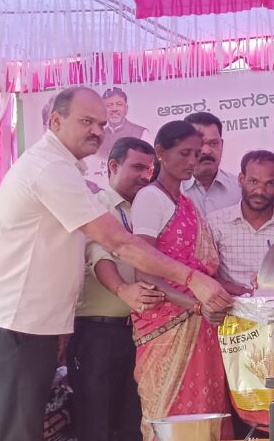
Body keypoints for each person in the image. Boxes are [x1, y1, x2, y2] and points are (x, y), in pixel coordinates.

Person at [0, 88, 232, 441]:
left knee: (31, 427)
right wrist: (192, 278)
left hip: (36, 322)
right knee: (19, 431)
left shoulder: (65, 170)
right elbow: (117, 242)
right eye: (86, 121)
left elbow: (90, 248)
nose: (97, 131)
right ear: (55, 121)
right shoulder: (49, 169)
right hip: (14, 320)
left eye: (102, 124)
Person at [130, 120, 234, 440]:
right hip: (167, 326)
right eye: (184, 153)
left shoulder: (186, 203)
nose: (192, 161)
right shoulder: (150, 198)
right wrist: (194, 305)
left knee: (205, 409)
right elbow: (143, 269)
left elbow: (205, 271)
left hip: (202, 324)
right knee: (170, 413)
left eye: (197, 154)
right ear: (160, 152)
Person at [67, 137, 159, 441]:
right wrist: (123, 289)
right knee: (97, 425)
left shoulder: (150, 209)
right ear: (114, 166)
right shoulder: (95, 206)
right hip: (98, 333)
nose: (145, 176)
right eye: (137, 167)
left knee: (135, 424)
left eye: (150, 169)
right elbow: (97, 254)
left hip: (142, 332)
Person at [208, 150, 274, 293]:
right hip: (229, 305)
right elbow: (206, 275)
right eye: (253, 181)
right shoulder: (215, 222)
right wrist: (246, 294)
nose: (260, 191)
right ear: (241, 179)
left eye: (270, 183)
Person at [181, 112, 241, 216]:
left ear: (222, 145)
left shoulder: (240, 189)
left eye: (214, 143)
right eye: (199, 143)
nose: (206, 151)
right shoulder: (172, 191)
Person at [101, 87, 150, 155]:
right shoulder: (99, 136)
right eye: (109, 105)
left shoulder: (142, 133)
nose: (114, 109)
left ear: (126, 109)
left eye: (119, 104)